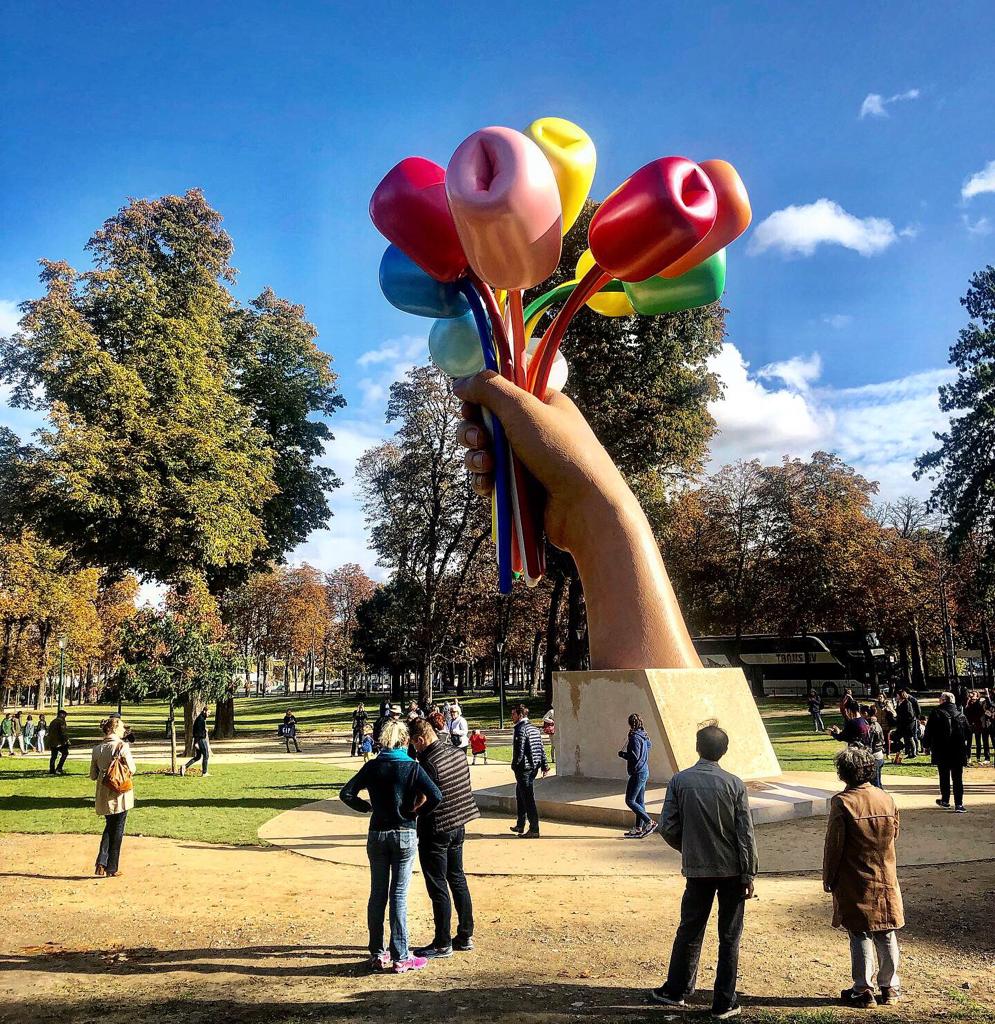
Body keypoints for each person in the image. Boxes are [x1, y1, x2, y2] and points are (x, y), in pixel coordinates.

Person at [653, 724, 758, 1019]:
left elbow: (667, 826)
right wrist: (749, 873)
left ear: (697, 748)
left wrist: (689, 848)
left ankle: (676, 990)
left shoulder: (679, 781)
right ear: (724, 751)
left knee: (689, 929)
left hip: (698, 870)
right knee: (729, 936)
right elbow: (745, 835)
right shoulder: (735, 784)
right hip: (732, 871)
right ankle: (724, 1001)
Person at [339, 719, 441, 973]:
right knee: (399, 895)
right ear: (406, 741)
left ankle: (377, 952)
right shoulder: (412, 767)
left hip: (378, 833)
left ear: (383, 741)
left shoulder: (373, 766)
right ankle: (400, 955)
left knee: (378, 893)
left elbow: (347, 793)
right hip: (404, 832)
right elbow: (436, 796)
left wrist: (366, 807)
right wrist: (415, 812)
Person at [823, 746, 904, 1008]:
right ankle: (890, 987)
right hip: (885, 873)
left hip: (855, 876)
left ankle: (862, 989)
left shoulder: (842, 802)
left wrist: (829, 877)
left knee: (860, 933)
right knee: (887, 931)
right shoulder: (886, 798)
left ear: (843, 774)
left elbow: (834, 845)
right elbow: (894, 835)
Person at [408, 717, 480, 959]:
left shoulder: (427, 763)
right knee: (457, 878)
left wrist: (411, 813)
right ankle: (465, 934)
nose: (414, 749)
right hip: (459, 823)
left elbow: (422, 799)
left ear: (420, 739)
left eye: (414, 744)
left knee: (437, 885)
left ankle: (442, 942)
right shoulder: (458, 753)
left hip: (436, 828)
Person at [89, 715, 137, 878]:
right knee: (118, 828)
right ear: (115, 729)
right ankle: (112, 867)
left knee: (110, 825)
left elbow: (93, 775)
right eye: (122, 727)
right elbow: (133, 768)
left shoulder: (97, 749)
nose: (124, 730)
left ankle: (102, 862)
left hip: (104, 792)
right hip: (120, 791)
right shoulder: (122, 746)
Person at [923, 691, 971, 813]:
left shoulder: (936, 713)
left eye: (940, 698)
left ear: (944, 700)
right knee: (957, 778)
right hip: (958, 751)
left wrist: (926, 746)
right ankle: (959, 804)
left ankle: (945, 800)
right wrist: (967, 751)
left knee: (944, 776)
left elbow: (929, 731)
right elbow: (968, 734)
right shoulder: (960, 715)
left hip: (941, 749)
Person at [509, 704, 549, 838]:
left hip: (524, 768)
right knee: (520, 793)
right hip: (533, 767)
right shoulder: (534, 728)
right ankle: (520, 824)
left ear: (520, 715)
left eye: (514, 714)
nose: (512, 716)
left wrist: (514, 765)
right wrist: (544, 765)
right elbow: (541, 748)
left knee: (527, 798)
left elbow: (519, 751)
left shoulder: (520, 729)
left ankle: (534, 828)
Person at [618, 713, 654, 837]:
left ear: (630, 723)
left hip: (637, 773)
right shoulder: (643, 735)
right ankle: (639, 828)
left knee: (630, 800)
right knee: (639, 801)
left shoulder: (634, 737)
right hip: (644, 771)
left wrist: (623, 755)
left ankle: (649, 822)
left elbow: (634, 756)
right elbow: (649, 745)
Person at [181, 707, 211, 776]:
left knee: (198, 757)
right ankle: (204, 772)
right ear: (204, 711)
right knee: (206, 755)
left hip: (198, 740)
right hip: (200, 740)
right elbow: (197, 733)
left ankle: (184, 766)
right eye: (208, 712)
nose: (209, 714)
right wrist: (197, 742)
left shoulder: (201, 719)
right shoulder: (200, 720)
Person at [862, 705, 886, 788]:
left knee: (875, 784)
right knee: (878, 782)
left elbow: (871, 743)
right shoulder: (877, 723)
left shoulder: (871, 727)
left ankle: (880, 799)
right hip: (879, 755)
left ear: (865, 714)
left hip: (874, 756)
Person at [964, 691, 990, 765]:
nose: (972, 696)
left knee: (979, 742)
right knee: (969, 743)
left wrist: (978, 699)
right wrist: (968, 701)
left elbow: (983, 708)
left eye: (974, 695)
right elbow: (966, 712)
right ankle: (968, 757)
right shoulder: (968, 703)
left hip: (979, 725)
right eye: (971, 695)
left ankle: (978, 758)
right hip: (970, 725)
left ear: (977, 696)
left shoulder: (980, 703)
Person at [892, 690, 917, 763]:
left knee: (909, 738)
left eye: (897, 695)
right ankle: (903, 750)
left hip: (907, 724)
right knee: (897, 737)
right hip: (901, 724)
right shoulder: (899, 703)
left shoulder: (907, 703)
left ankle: (913, 753)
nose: (896, 697)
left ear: (900, 696)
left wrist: (902, 718)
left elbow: (910, 715)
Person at [47, 709, 70, 774]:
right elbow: (63, 733)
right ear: (61, 714)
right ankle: (59, 768)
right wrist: (66, 740)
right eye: (65, 715)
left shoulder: (53, 721)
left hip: (52, 742)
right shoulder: (61, 722)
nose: (65, 717)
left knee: (53, 756)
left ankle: (52, 770)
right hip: (59, 742)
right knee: (65, 753)